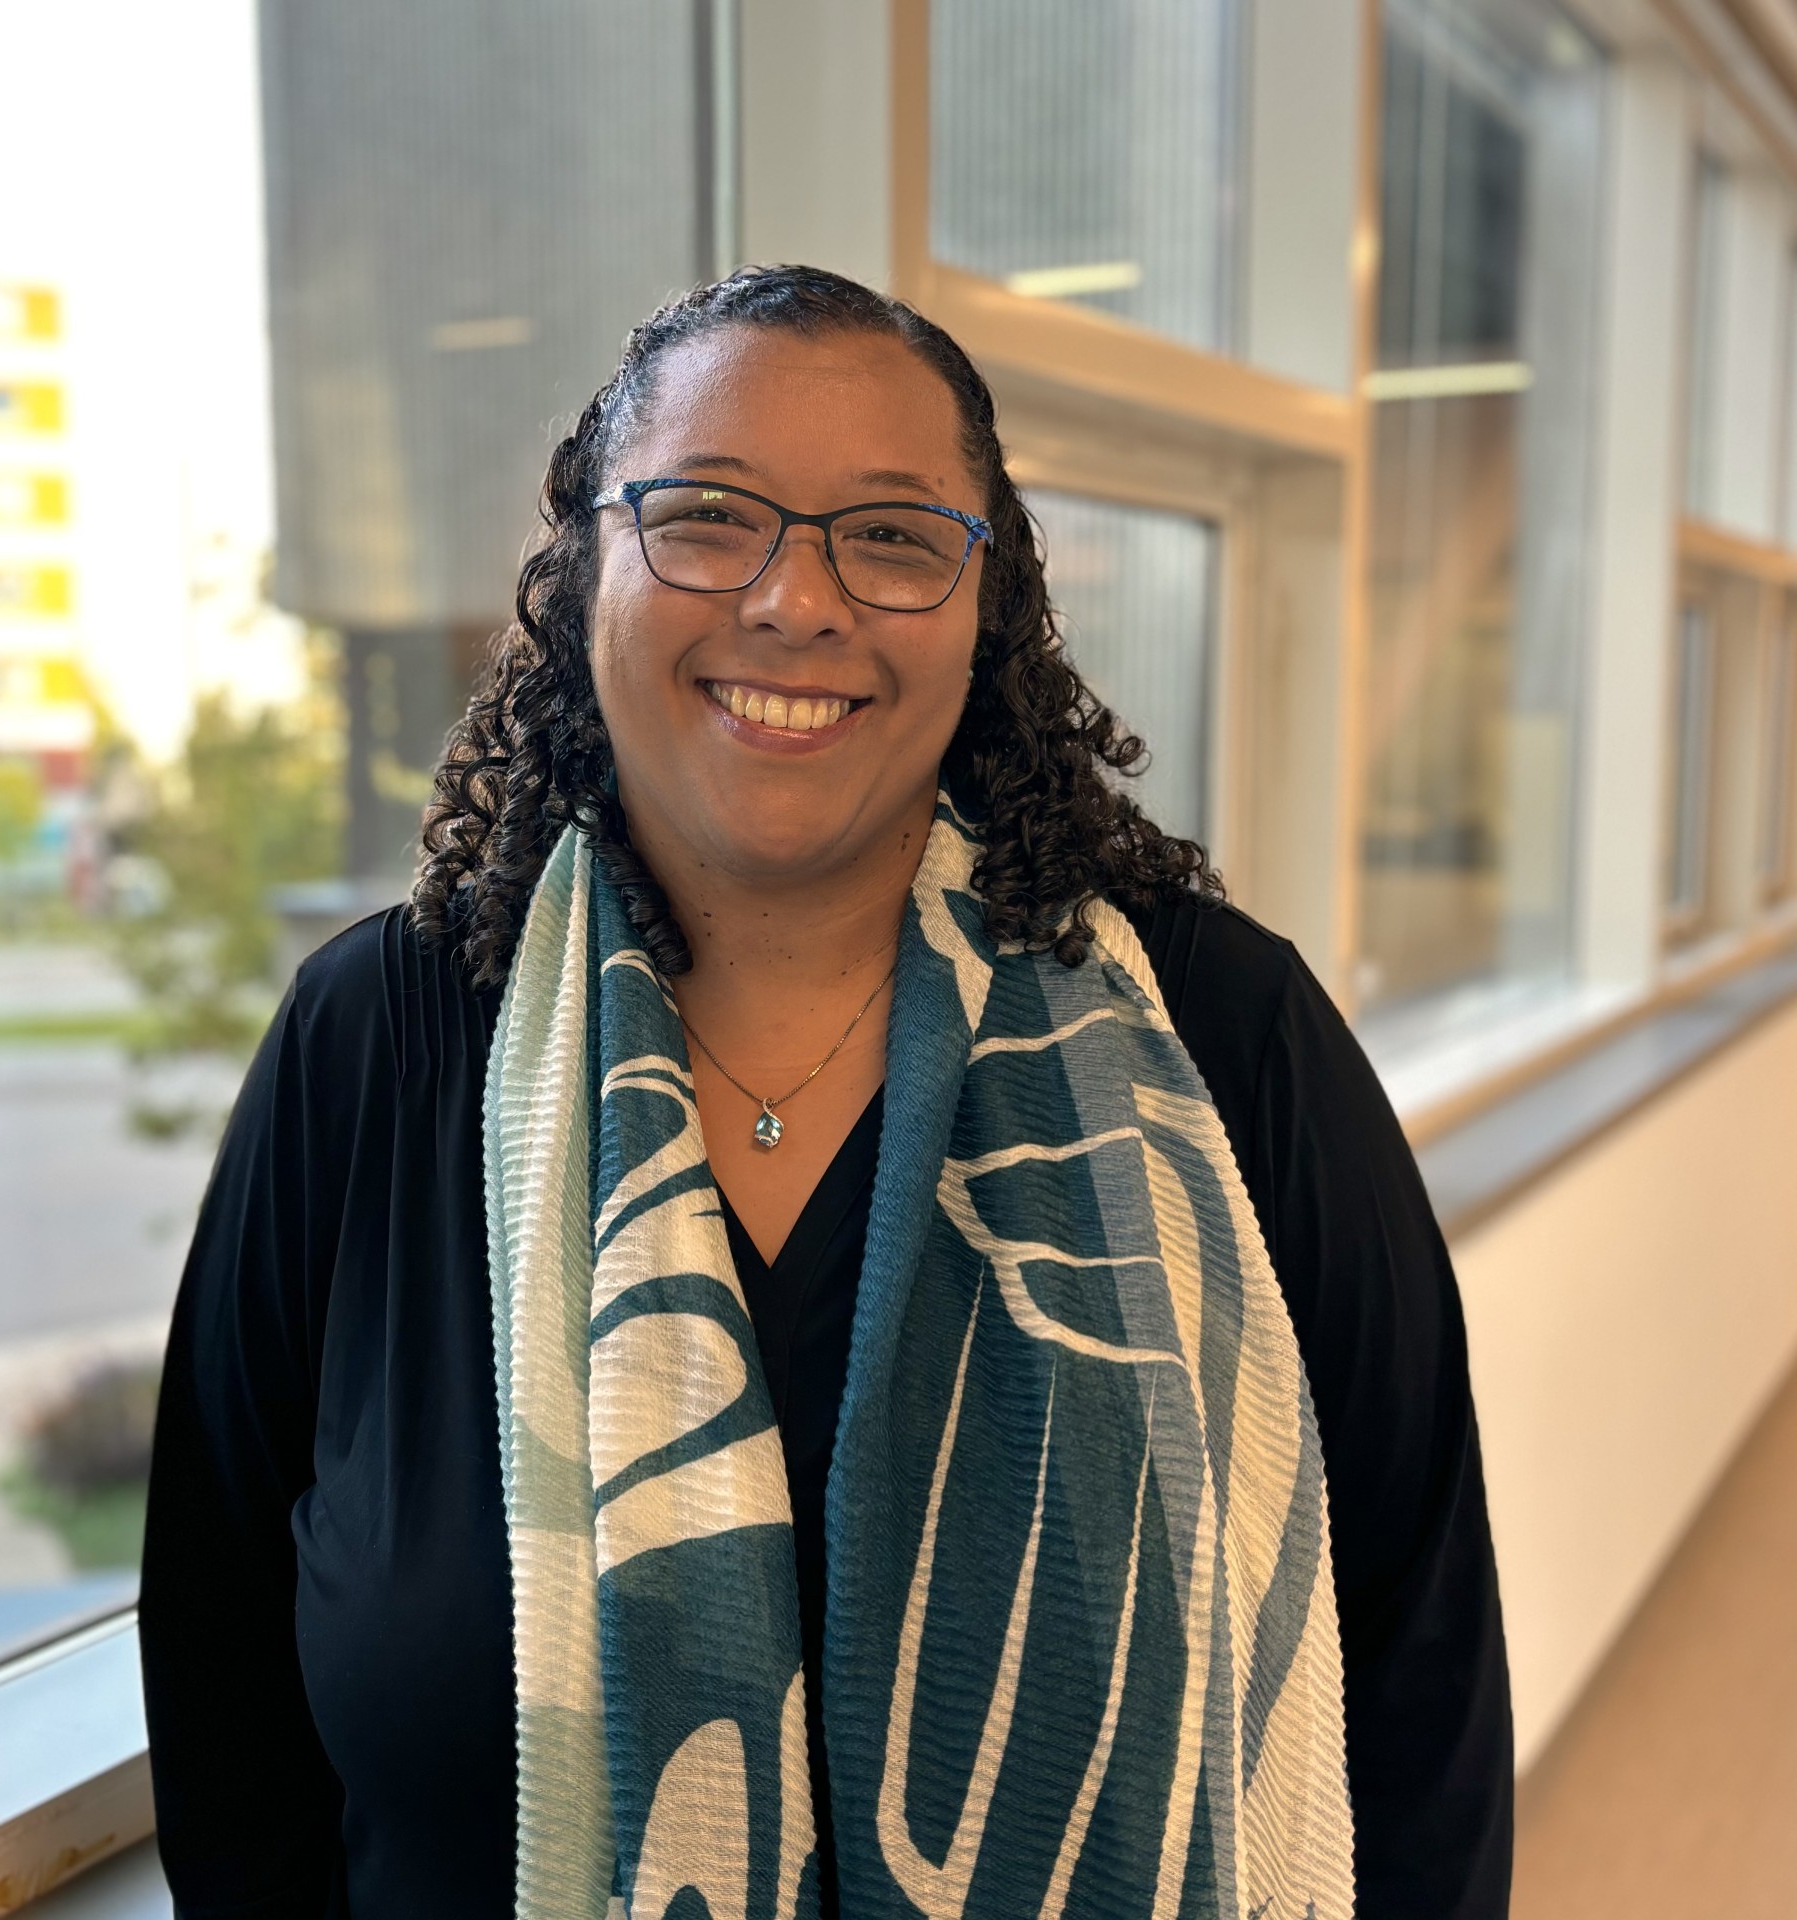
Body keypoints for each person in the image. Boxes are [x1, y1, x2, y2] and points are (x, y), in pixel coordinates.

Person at [139, 265, 1511, 1919]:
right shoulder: (375, 1046)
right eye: (708, 516)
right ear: (588, 576)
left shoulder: (1232, 1041)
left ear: (985, 603)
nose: (797, 602)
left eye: (892, 534)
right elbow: (225, 1698)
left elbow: (1419, 1684)